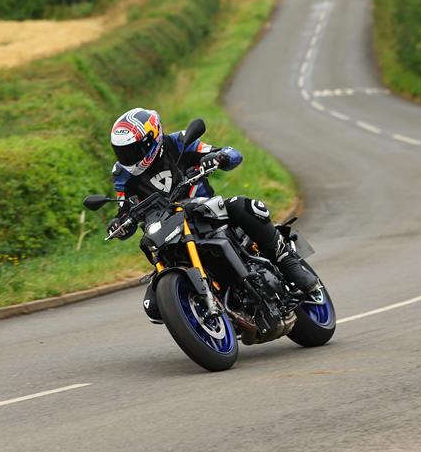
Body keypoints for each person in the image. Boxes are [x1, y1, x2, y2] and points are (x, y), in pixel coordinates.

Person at [107, 108, 320, 318]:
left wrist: (219, 157)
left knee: (242, 206)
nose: (127, 157)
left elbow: (232, 154)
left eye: (133, 150)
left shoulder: (178, 142)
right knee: (153, 306)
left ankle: (287, 262)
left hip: (203, 210)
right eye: (122, 151)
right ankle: (200, 309)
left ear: (151, 139)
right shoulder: (122, 173)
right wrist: (118, 223)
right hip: (166, 229)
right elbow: (124, 210)